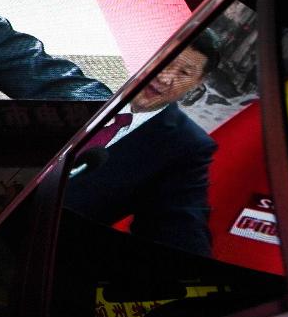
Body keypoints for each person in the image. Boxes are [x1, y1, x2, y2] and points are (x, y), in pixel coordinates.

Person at [64, 33, 219, 256]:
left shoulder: (185, 147)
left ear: (198, 83)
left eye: (184, 73)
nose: (165, 78)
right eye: (166, 61)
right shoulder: (78, 81)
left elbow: (181, 230)